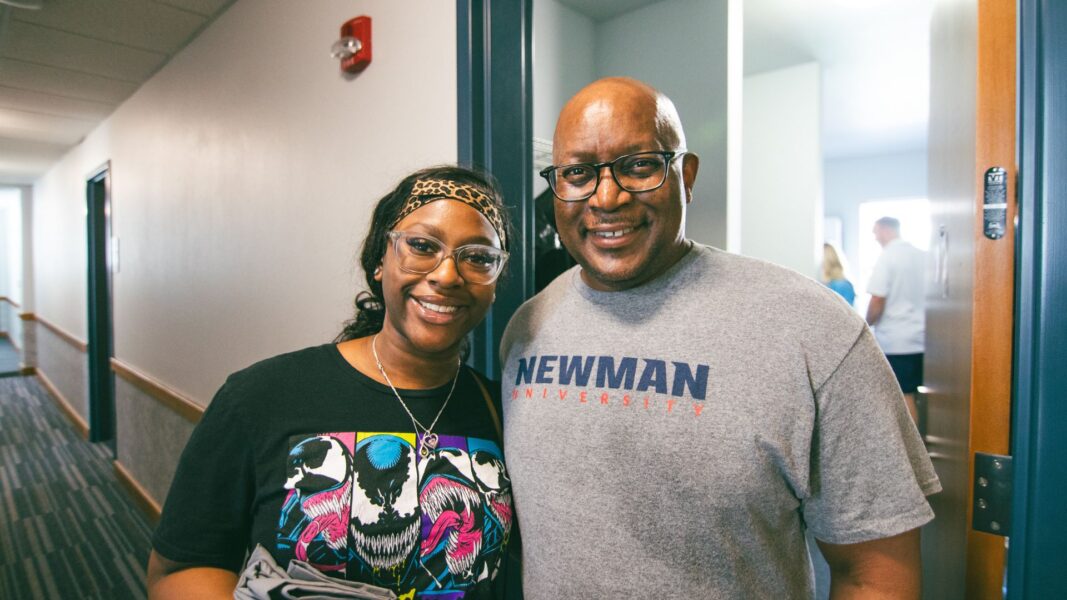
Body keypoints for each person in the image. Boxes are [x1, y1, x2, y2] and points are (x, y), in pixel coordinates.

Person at [500, 77, 940, 598]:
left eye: (639, 165)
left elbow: (874, 573)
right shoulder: (527, 327)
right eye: (577, 174)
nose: (607, 196)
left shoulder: (813, 329)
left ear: (685, 176)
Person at [147, 166, 516, 599]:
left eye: (478, 257)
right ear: (381, 260)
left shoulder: (507, 412)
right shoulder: (262, 396)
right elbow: (181, 567)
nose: (448, 275)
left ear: (495, 282)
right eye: (421, 246)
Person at [867, 216, 926, 422]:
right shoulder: (922, 255)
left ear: (884, 229)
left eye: (875, 232)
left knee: (903, 395)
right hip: (924, 338)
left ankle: (910, 452)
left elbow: (877, 298)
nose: (875, 238)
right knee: (916, 395)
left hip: (897, 340)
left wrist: (866, 324)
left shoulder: (887, 257)